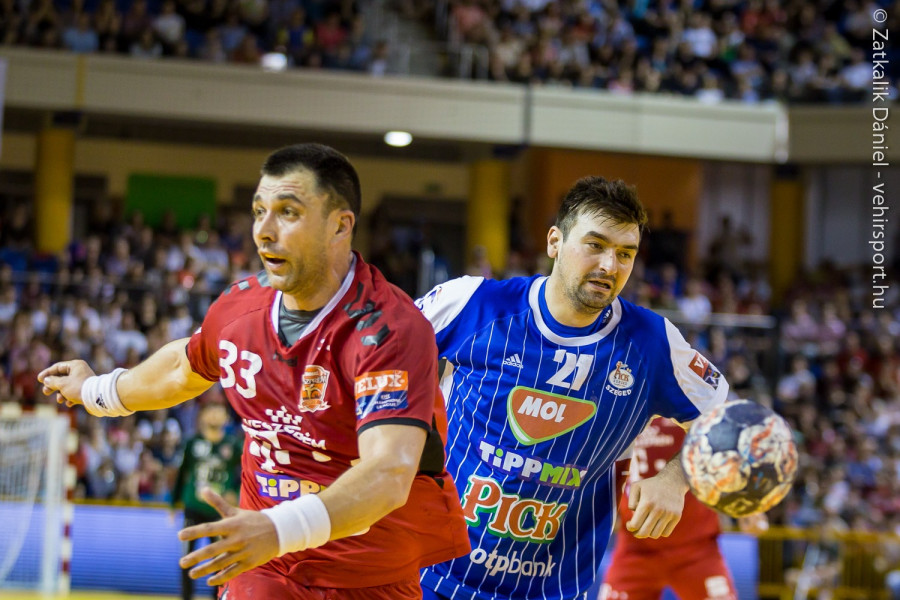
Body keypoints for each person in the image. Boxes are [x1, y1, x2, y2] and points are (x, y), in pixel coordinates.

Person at [39, 143, 470, 599]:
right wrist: (97, 390)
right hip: (267, 570)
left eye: (288, 212)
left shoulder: (389, 328)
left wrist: (279, 528)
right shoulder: (239, 309)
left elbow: (388, 472)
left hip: (371, 573)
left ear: (341, 225)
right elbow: (182, 368)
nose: (264, 231)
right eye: (258, 212)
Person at [415, 176, 730, 600]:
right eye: (595, 245)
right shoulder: (473, 302)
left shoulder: (652, 343)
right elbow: (378, 355)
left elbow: (726, 418)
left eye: (625, 253)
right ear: (555, 242)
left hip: (553, 589)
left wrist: (676, 479)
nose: (609, 266)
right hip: (432, 576)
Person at [599, 417, 768, 600]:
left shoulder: (695, 403)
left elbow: (724, 448)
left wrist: (746, 499)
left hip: (696, 547)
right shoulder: (620, 409)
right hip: (635, 548)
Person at [170, 401, 242, 600]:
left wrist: (235, 491)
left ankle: (217, 597)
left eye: (219, 411)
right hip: (193, 507)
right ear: (202, 416)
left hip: (218, 512)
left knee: (220, 560)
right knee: (187, 559)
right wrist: (173, 504)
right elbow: (182, 473)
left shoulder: (233, 445)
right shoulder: (192, 443)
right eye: (211, 410)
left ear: (226, 418)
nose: (214, 415)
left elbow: (247, 472)